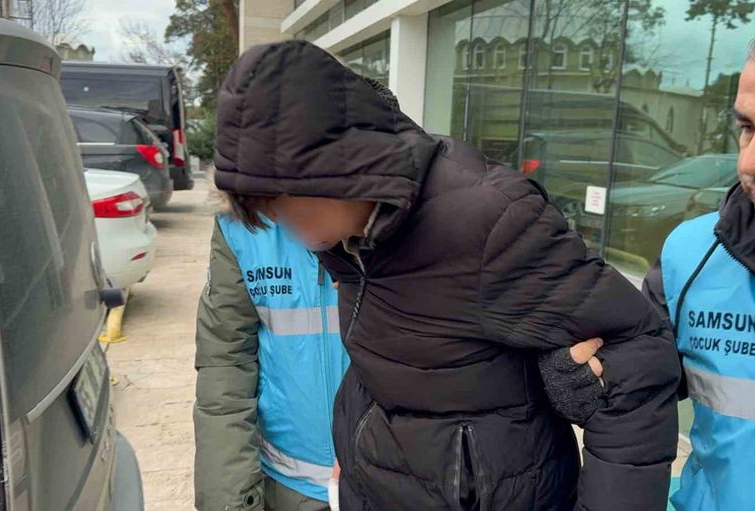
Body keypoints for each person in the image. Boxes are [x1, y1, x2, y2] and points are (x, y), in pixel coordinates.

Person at [212, 40, 681, 511]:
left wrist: (573, 382)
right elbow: (394, 352)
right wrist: (354, 449)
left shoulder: (489, 220)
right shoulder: (347, 236)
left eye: (288, 207)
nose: (286, 228)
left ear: (341, 167)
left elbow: (639, 358)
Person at [541, 1, 755, 509]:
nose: (752, 161)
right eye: (747, 127)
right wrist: (584, 379)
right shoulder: (695, 253)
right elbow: (640, 377)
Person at [193, 195, 349, 511]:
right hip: (287, 487)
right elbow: (225, 363)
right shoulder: (238, 223)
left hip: (392, 481)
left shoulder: (394, 214)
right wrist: (229, 499)